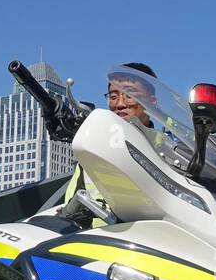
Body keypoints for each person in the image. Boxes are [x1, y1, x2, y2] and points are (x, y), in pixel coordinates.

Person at [60, 62, 156, 226]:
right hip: (99, 242)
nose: (120, 104)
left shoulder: (170, 151)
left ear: (152, 101)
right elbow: (71, 208)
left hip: (154, 240)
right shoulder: (93, 149)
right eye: (113, 96)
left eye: (129, 94)